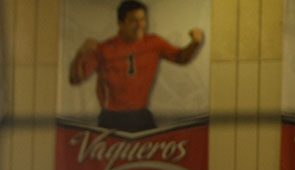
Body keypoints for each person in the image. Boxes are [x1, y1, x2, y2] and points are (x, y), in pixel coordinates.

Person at [68, 0, 205, 132]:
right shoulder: (104, 49)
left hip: (141, 115)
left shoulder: (154, 43)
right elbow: (75, 79)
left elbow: (180, 58)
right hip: (112, 118)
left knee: (151, 153)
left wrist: (195, 43)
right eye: (134, 21)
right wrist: (81, 53)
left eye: (143, 19)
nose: (140, 25)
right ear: (120, 23)